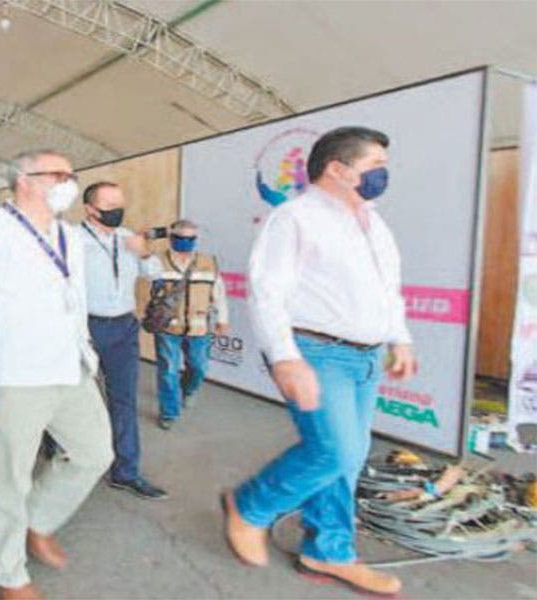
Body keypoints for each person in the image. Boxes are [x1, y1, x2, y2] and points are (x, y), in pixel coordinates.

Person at [222, 127, 418, 597]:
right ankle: (249, 507)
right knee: (335, 451)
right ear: (337, 168)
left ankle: (328, 551)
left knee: (348, 458)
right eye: (375, 164)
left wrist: (400, 339)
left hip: (365, 357)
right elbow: (267, 291)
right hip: (317, 352)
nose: (384, 173)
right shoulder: (295, 217)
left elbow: (388, 291)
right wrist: (285, 358)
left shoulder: (373, 222)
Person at [0, 149, 113, 600]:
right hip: (15, 374)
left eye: (72, 175)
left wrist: (86, 352)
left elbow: (75, 299)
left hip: (71, 367)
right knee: (8, 480)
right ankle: (7, 572)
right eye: (59, 175)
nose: (69, 184)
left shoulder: (68, 235)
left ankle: (37, 520)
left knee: (94, 453)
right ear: (25, 179)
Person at [77, 182, 168, 499]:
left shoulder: (127, 237)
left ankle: (126, 472)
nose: (117, 212)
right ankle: (65, 459)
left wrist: (144, 252)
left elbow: (156, 274)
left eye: (120, 205)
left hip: (124, 328)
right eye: (109, 206)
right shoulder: (72, 240)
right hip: (83, 328)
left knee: (124, 401)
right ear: (89, 209)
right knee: (71, 400)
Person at [141, 219, 230, 430]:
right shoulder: (156, 261)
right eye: (180, 237)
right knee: (168, 371)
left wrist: (223, 319)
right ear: (171, 238)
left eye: (191, 238)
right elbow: (139, 247)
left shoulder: (208, 262)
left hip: (199, 327)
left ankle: (188, 390)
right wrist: (155, 233)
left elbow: (219, 292)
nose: (185, 242)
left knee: (198, 367)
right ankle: (169, 412)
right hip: (167, 327)